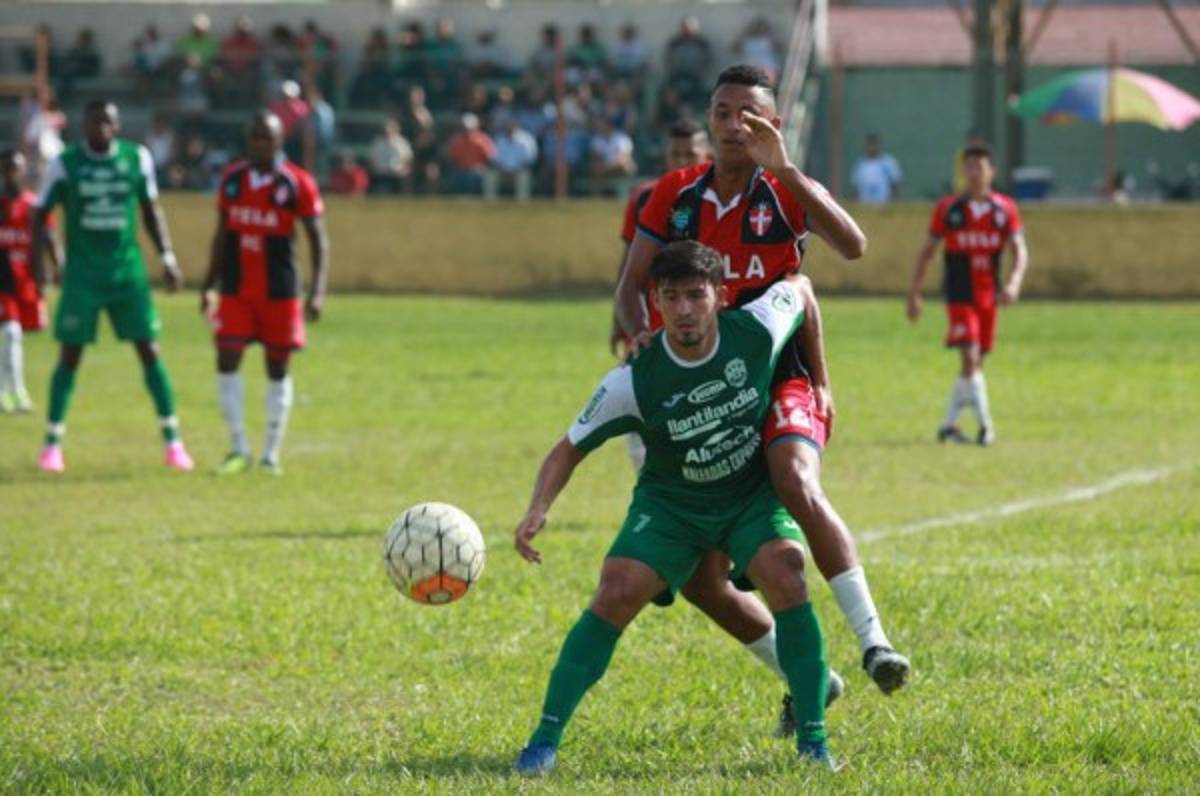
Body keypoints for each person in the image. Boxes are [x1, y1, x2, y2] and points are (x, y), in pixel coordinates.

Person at [616, 65, 911, 698]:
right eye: (722, 112)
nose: (732, 126)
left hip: (783, 376)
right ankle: (808, 678)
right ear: (708, 120)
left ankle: (875, 642)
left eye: (748, 115)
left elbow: (853, 245)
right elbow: (629, 285)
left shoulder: (784, 192)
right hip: (705, 389)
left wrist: (784, 169)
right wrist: (640, 335)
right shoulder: (675, 194)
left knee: (795, 478)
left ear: (772, 125)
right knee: (700, 578)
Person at [513, 241, 836, 774]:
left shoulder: (756, 329)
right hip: (673, 506)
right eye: (671, 297)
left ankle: (814, 743)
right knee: (616, 590)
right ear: (655, 301)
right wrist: (537, 508)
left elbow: (800, 289)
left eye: (695, 295)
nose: (684, 309)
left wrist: (820, 381)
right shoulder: (634, 378)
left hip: (748, 496)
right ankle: (543, 742)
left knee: (788, 573)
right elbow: (569, 447)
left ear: (720, 297)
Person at [31, 99, 192, 473]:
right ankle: (51, 445)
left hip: (126, 273)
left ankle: (174, 442)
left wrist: (167, 257)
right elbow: (41, 214)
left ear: (118, 126)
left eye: (108, 122)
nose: (101, 128)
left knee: (149, 350)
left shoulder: (138, 159)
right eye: (94, 122)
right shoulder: (66, 163)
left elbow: (151, 210)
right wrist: (41, 263)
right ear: (83, 125)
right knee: (70, 355)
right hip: (83, 276)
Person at [200, 111, 329, 475]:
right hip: (236, 289)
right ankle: (238, 446)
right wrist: (208, 283)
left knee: (277, 367)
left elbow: (319, 240)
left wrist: (317, 291)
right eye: (254, 137)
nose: (259, 143)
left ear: (279, 141)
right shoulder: (232, 180)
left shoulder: (297, 183)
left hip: (280, 291)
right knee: (226, 359)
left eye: (266, 138)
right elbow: (222, 235)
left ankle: (271, 452)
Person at [906, 143, 1028, 446]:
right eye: (968, 167)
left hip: (989, 297)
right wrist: (915, 293)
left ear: (991, 172)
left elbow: (1019, 251)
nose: (973, 173)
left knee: (973, 366)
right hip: (959, 296)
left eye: (979, 167)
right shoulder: (949, 209)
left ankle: (948, 426)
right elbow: (927, 253)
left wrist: (1013, 283)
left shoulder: (1004, 209)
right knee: (971, 358)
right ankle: (986, 428)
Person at [1, 150, 58, 413]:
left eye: (17, 168)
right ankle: (16, 393)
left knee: (16, 337)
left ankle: (7, 390)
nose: (12, 173)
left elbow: (48, 237)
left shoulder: (34, 206)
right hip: (3, 282)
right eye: (7, 168)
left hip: (25, 281)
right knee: (11, 335)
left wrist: (57, 266)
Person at [850, 134, 901, 205]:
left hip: (883, 204)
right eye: (870, 145)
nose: (872, 148)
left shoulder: (888, 162)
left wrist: (893, 201)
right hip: (865, 204)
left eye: (874, 145)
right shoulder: (860, 164)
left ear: (879, 146)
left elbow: (894, 183)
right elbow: (856, 187)